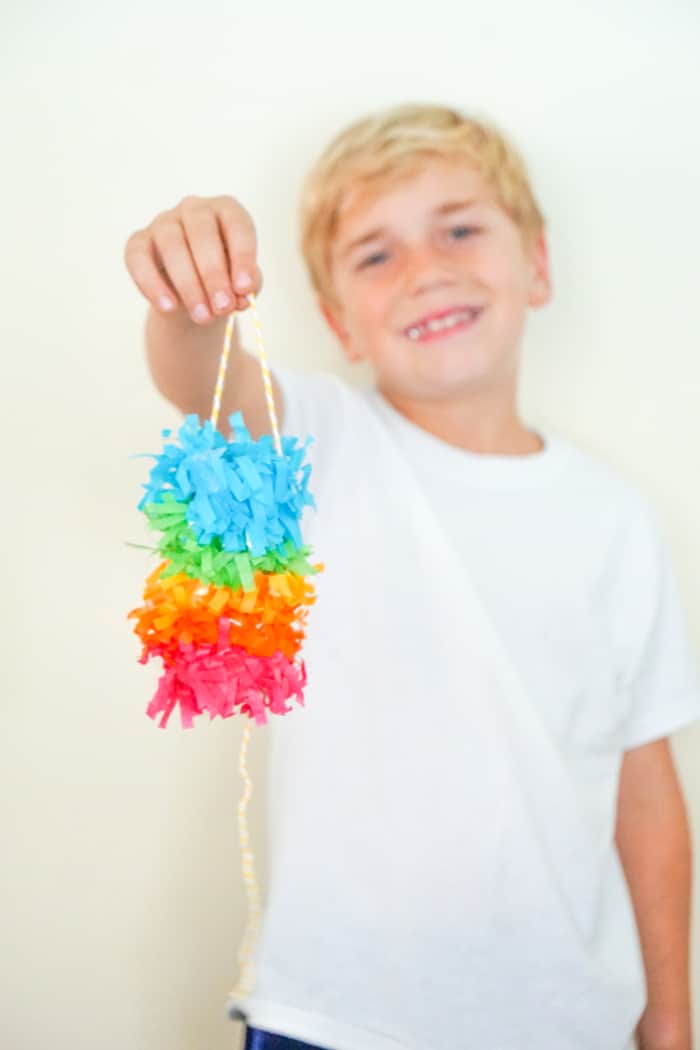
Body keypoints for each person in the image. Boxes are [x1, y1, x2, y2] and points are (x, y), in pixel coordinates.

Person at [124, 103, 700, 1050]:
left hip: (568, 1023)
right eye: (375, 254)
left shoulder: (618, 520)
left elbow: (648, 793)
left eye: (461, 228)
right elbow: (205, 378)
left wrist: (669, 1022)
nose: (427, 268)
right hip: (333, 1018)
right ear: (338, 324)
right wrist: (191, 289)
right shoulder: (320, 442)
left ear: (539, 266)